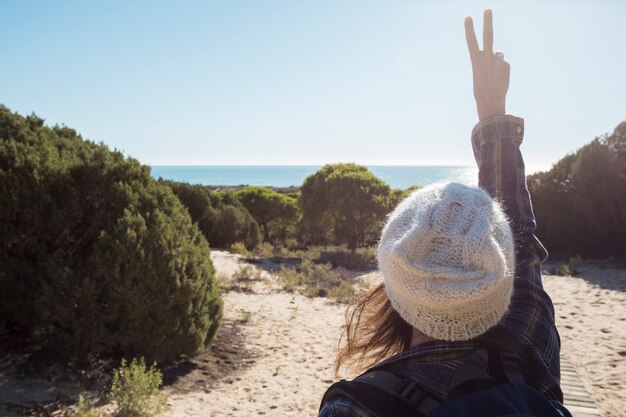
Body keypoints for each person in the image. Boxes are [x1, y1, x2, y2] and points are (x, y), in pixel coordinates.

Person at [318, 9, 569, 417]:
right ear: (498, 278)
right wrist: (493, 113)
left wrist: (491, 112)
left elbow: (517, 243)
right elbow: (519, 239)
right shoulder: (529, 347)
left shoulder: (354, 409)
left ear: (395, 291)